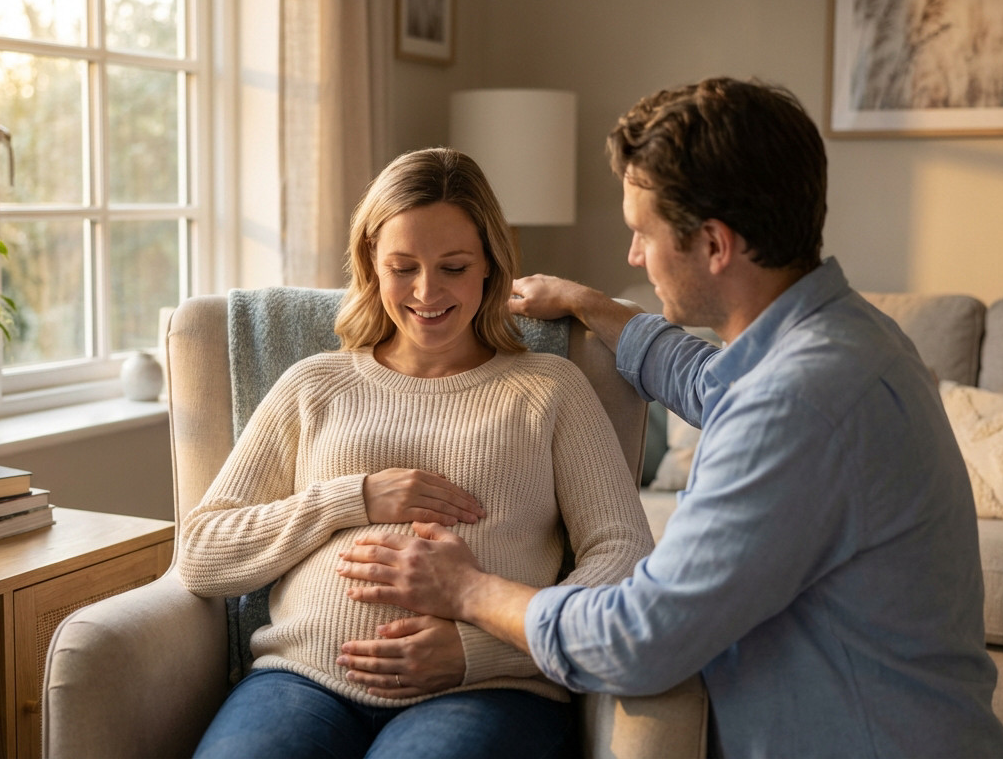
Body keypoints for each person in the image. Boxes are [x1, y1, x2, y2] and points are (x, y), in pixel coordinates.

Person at [336, 78, 1003, 757]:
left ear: (715, 245)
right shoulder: (846, 334)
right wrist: (590, 305)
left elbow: (636, 641)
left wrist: (470, 588)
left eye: (642, 232)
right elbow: (705, 380)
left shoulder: (794, 405)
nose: (634, 255)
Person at [177, 147, 653, 759]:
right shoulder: (313, 383)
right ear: (371, 264)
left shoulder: (549, 389)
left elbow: (624, 555)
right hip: (300, 682)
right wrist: (352, 499)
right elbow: (202, 554)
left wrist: (478, 648)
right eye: (403, 267)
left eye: (454, 266)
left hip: (488, 688)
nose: (428, 292)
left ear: (490, 266)